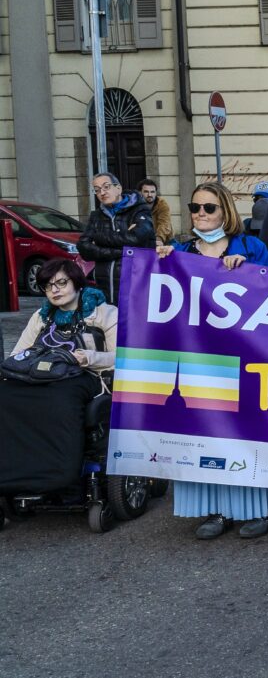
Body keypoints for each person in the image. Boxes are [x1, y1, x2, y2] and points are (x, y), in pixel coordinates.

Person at [155, 182, 268, 539]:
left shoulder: (251, 248)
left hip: (244, 357)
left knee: (245, 434)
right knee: (204, 434)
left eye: (209, 208)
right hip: (197, 357)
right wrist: (158, 264)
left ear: (226, 211)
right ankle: (216, 510)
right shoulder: (180, 251)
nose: (201, 215)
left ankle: (259, 509)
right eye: (195, 207)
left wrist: (247, 272)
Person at [1, 259, 117, 494]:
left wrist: (89, 358)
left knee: (61, 398)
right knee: (6, 394)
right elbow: (17, 355)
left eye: (61, 283)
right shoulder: (41, 316)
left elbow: (124, 357)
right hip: (42, 375)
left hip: (87, 376)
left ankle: (60, 475)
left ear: (77, 282)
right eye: (48, 286)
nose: (54, 290)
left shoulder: (104, 313)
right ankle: (11, 475)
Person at [77, 172, 155, 306]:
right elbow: (83, 247)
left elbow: (136, 238)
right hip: (104, 288)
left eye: (106, 187)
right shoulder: (96, 216)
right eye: (97, 190)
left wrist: (98, 238)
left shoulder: (140, 211)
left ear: (118, 188)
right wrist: (121, 252)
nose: (102, 192)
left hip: (135, 285)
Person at [138, 179, 173, 245]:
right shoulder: (136, 205)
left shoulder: (162, 204)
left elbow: (164, 223)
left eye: (152, 192)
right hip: (142, 242)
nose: (150, 195)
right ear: (140, 192)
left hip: (163, 241)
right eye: (146, 192)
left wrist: (159, 239)